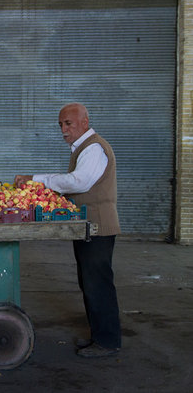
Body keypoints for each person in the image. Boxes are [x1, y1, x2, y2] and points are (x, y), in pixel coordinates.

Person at [14, 102, 121, 358]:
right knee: (90, 283)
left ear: (84, 122)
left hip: (98, 227)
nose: (63, 129)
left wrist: (36, 179)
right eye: (61, 124)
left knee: (98, 284)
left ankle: (107, 342)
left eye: (68, 123)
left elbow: (79, 182)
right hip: (87, 226)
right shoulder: (83, 148)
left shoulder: (94, 148)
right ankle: (100, 337)